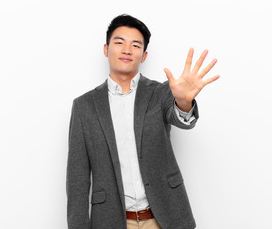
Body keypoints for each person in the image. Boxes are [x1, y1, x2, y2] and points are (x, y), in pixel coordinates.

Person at [66, 14, 220, 229]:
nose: (127, 50)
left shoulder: (161, 93)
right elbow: (77, 179)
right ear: (105, 49)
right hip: (111, 221)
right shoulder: (84, 106)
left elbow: (182, 119)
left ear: (144, 55)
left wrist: (184, 102)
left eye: (135, 45)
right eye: (119, 42)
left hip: (164, 219)